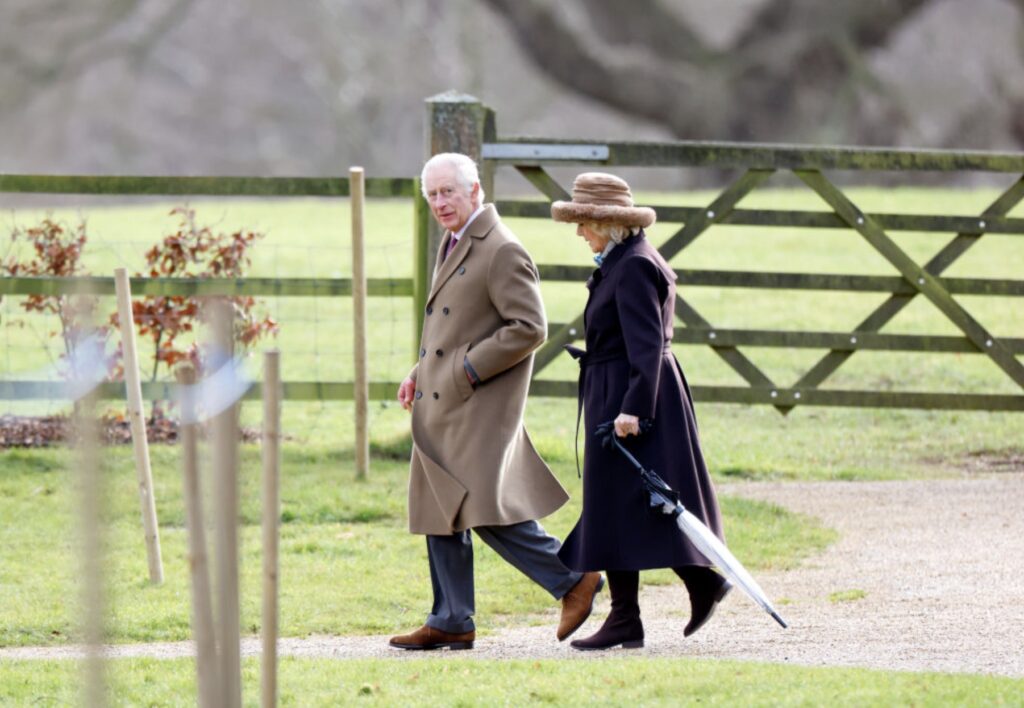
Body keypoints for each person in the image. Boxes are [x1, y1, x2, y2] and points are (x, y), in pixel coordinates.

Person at [389, 153, 603, 651]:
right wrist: (421, 371)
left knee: (481, 508)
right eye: (433, 194)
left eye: (449, 192)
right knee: (440, 503)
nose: (440, 202)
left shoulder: (501, 248)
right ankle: (450, 618)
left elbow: (529, 328)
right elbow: (454, 324)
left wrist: (465, 369)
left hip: (477, 405)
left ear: (475, 191)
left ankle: (573, 579)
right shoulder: (455, 241)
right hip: (443, 400)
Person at [551, 172, 731, 651]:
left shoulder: (632, 266)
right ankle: (688, 589)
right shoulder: (624, 259)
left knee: (626, 501)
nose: (579, 232)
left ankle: (635, 615)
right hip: (621, 388)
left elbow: (647, 346)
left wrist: (632, 410)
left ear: (608, 222)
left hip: (630, 394)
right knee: (630, 503)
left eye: (584, 222)